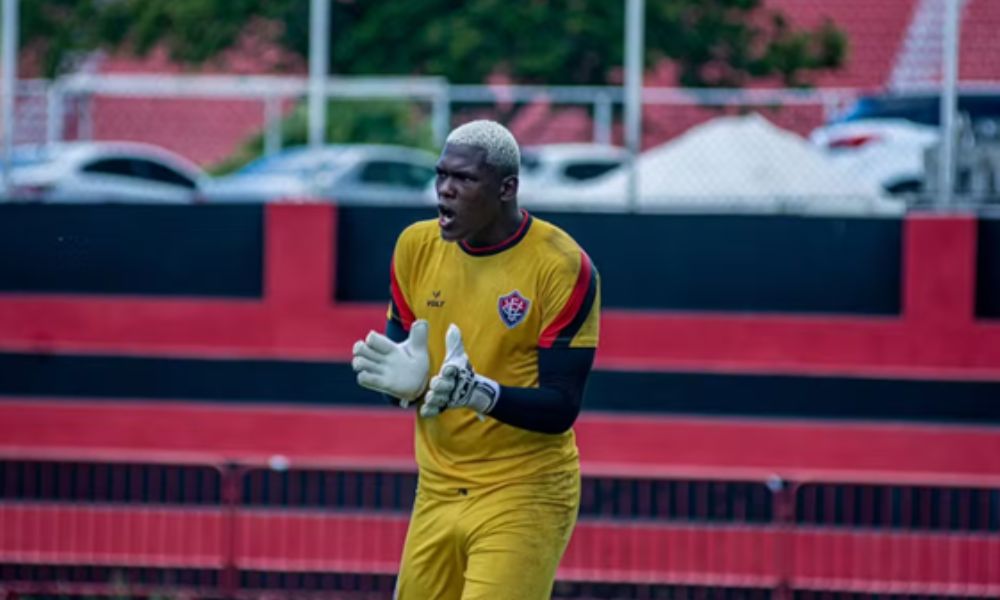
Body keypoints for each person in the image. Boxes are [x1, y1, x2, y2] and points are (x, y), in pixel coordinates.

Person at [350, 119, 600, 600]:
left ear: (507, 188)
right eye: (441, 175)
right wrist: (402, 388)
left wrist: (480, 394)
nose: (444, 190)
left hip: (523, 489)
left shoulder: (562, 264)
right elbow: (403, 374)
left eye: (463, 180)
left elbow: (562, 406)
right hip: (438, 488)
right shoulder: (414, 247)